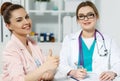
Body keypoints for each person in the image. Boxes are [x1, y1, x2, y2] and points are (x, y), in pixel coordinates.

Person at [58, 1, 120, 81]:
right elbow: (61, 64)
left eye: (90, 15)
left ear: (96, 16)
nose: (86, 19)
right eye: (81, 16)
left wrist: (113, 72)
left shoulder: (108, 40)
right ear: (77, 20)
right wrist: (72, 72)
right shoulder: (69, 39)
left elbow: (118, 63)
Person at [0, 2, 59, 81]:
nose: (26, 22)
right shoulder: (11, 50)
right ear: (8, 26)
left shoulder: (32, 43)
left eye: (27, 17)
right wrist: (45, 67)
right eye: (19, 20)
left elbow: (46, 68)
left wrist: (50, 72)